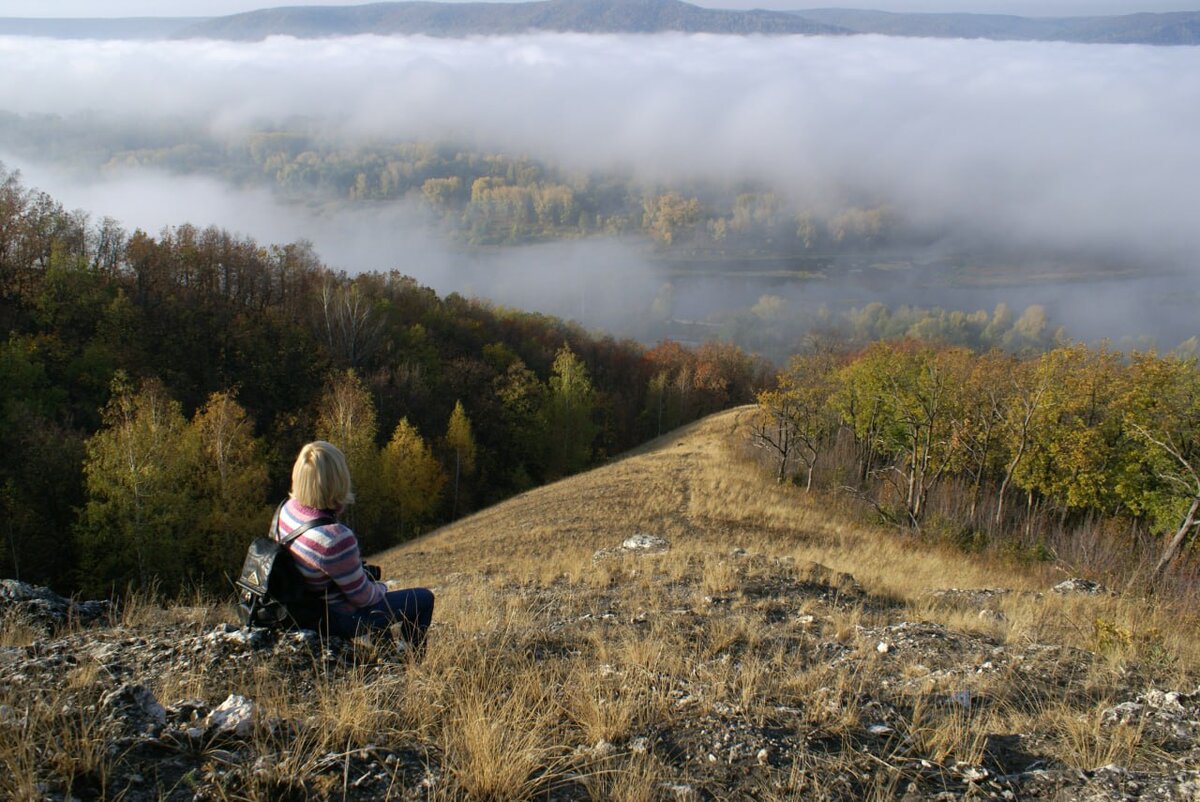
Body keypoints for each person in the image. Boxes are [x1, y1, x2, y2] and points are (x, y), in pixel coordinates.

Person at [277, 440, 434, 652]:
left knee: (378, 603)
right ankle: (407, 658)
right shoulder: (334, 537)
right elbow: (364, 597)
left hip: (307, 605)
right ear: (338, 481)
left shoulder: (286, 510)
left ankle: (385, 655)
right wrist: (381, 588)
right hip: (334, 617)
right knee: (423, 598)